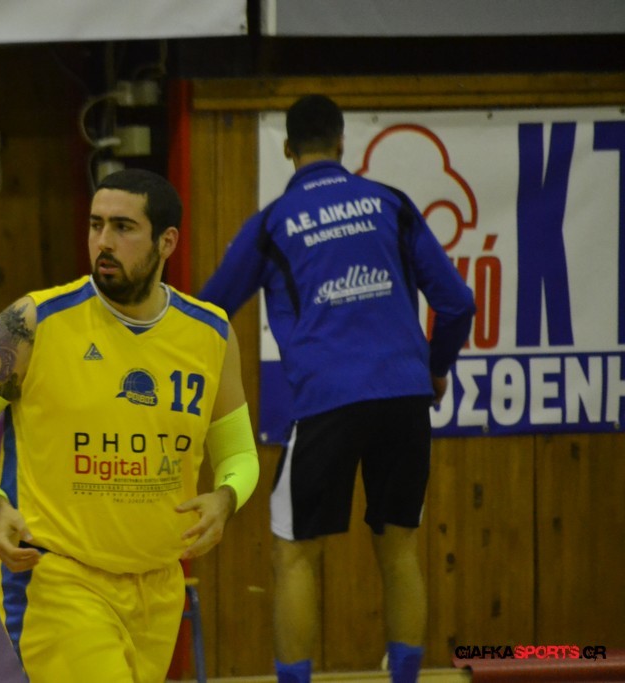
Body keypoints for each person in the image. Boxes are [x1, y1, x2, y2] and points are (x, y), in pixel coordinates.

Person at [0, 168, 260, 682]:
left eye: (123, 227)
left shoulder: (210, 333)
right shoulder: (32, 322)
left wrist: (226, 497)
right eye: (95, 225)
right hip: (58, 578)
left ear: (167, 241)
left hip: (159, 585)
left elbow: (238, 453)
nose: (103, 242)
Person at [198, 95, 475, 683]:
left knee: (295, 554)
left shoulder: (273, 223)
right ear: (342, 143)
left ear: (288, 149)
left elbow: (208, 311)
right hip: (404, 398)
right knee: (399, 550)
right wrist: (435, 367)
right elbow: (457, 303)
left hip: (328, 401)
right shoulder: (391, 204)